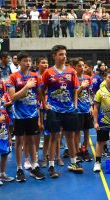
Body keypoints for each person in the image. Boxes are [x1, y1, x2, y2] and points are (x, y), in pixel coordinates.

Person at [41, 45, 83, 174]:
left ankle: (73, 163)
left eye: (65, 54)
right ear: (54, 56)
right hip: (54, 109)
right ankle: (51, 165)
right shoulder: (48, 72)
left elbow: (75, 90)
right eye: (60, 54)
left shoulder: (71, 71)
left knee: (70, 136)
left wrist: (75, 105)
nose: (64, 56)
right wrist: (45, 104)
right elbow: (41, 91)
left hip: (69, 109)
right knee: (55, 136)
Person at [6, 51, 45, 182]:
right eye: (25, 61)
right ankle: (19, 168)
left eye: (29, 61)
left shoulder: (35, 76)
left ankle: (34, 166)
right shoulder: (13, 77)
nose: (28, 63)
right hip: (19, 115)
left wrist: (38, 96)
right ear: (19, 62)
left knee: (32, 140)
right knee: (19, 141)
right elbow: (12, 97)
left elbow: (40, 94)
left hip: (33, 114)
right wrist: (26, 87)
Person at [74, 58, 93, 162]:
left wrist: (91, 106)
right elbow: (73, 93)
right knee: (77, 132)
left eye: (83, 65)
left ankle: (85, 150)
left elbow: (90, 93)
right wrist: (81, 87)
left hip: (86, 109)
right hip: (78, 110)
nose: (82, 68)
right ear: (75, 67)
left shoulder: (88, 78)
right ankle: (77, 152)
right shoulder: (73, 78)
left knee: (86, 131)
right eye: (79, 66)